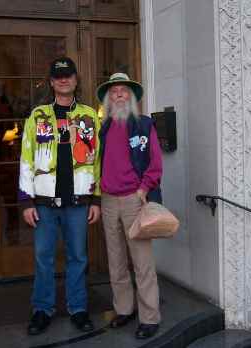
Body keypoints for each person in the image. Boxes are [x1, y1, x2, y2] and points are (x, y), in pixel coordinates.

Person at [19, 57, 101, 335]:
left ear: (76, 80)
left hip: (78, 202)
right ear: (52, 82)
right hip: (44, 203)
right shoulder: (38, 115)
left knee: (78, 256)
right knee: (44, 257)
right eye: (58, 76)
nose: (64, 80)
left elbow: (97, 160)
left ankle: (78, 309)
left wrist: (96, 199)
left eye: (68, 76)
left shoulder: (90, 116)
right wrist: (26, 200)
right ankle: (42, 309)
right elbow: (27, 157)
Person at [96, 72, 163, 339]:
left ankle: (150, 317)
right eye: (114, 91)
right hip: (108, 200)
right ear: (109, 99)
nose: (119, 95)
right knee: (116, 261)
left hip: (135, 200)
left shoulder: (144, 125)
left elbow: (155, 164)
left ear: (132, 96)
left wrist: (143, 189)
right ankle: (124, 309)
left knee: (142, 262)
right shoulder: (104, 127)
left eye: (124, 90)